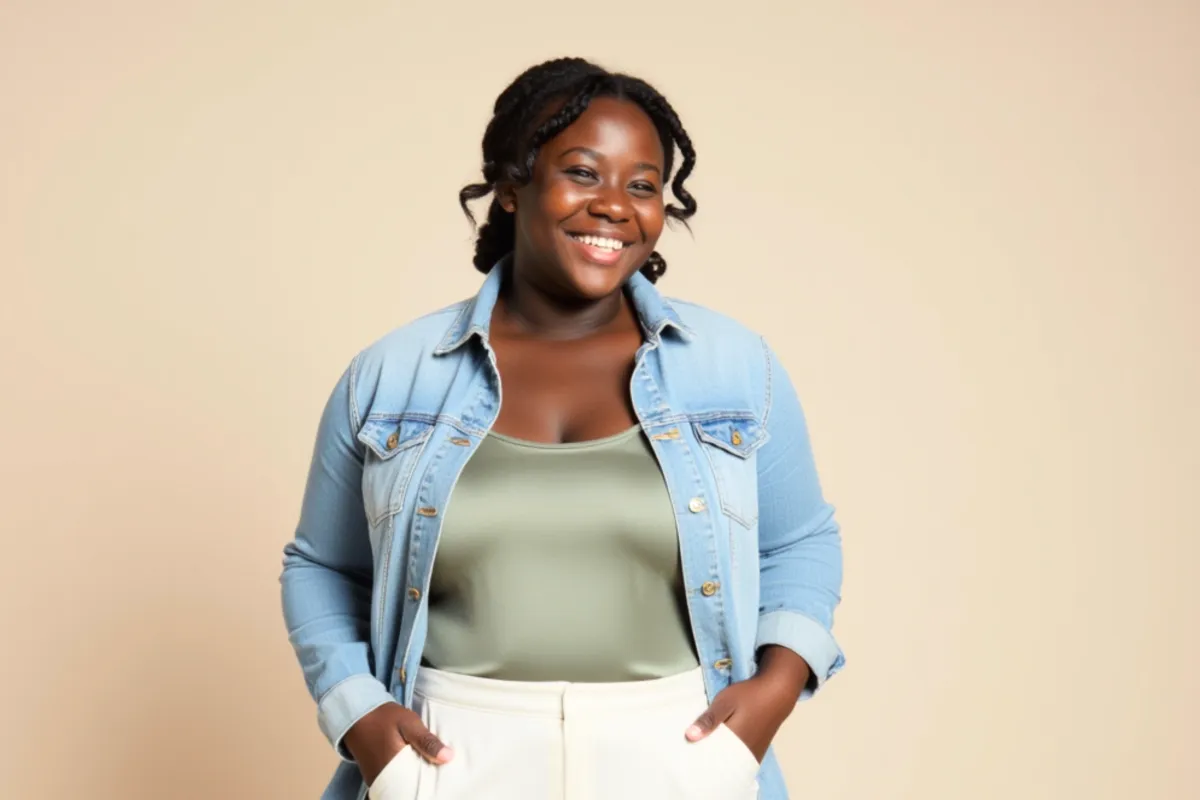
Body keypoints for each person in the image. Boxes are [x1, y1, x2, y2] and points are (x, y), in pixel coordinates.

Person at [280, 56, 845, 800]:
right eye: (583, 172)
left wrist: (773, 692)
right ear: (512, 187)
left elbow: (801, 540)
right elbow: (322, 565)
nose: (614, 205)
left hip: (680, 751)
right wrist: (360, 716)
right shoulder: (393, 375)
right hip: (454, 756)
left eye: (642, 185)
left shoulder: (733, 368)